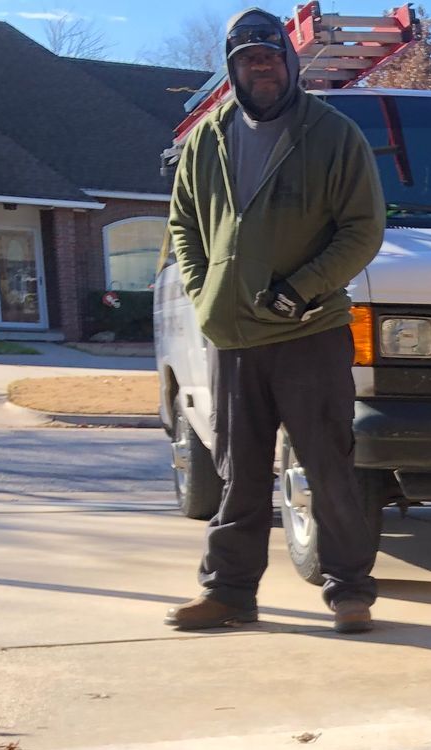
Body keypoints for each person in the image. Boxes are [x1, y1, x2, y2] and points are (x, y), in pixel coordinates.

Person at [164, 8, 387, 634]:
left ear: (290, 63)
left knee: (329, 465)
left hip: (309, 332)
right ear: (233, 69)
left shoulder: (333, 134)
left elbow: (363, 228)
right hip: (233, 336)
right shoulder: (208, 138)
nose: (261, 68)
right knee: (238, 475)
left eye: (270, 57)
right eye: (247, 60)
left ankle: (350, 592)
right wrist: (204, 286)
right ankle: (229, 593)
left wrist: (302, 289)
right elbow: (183, 221)